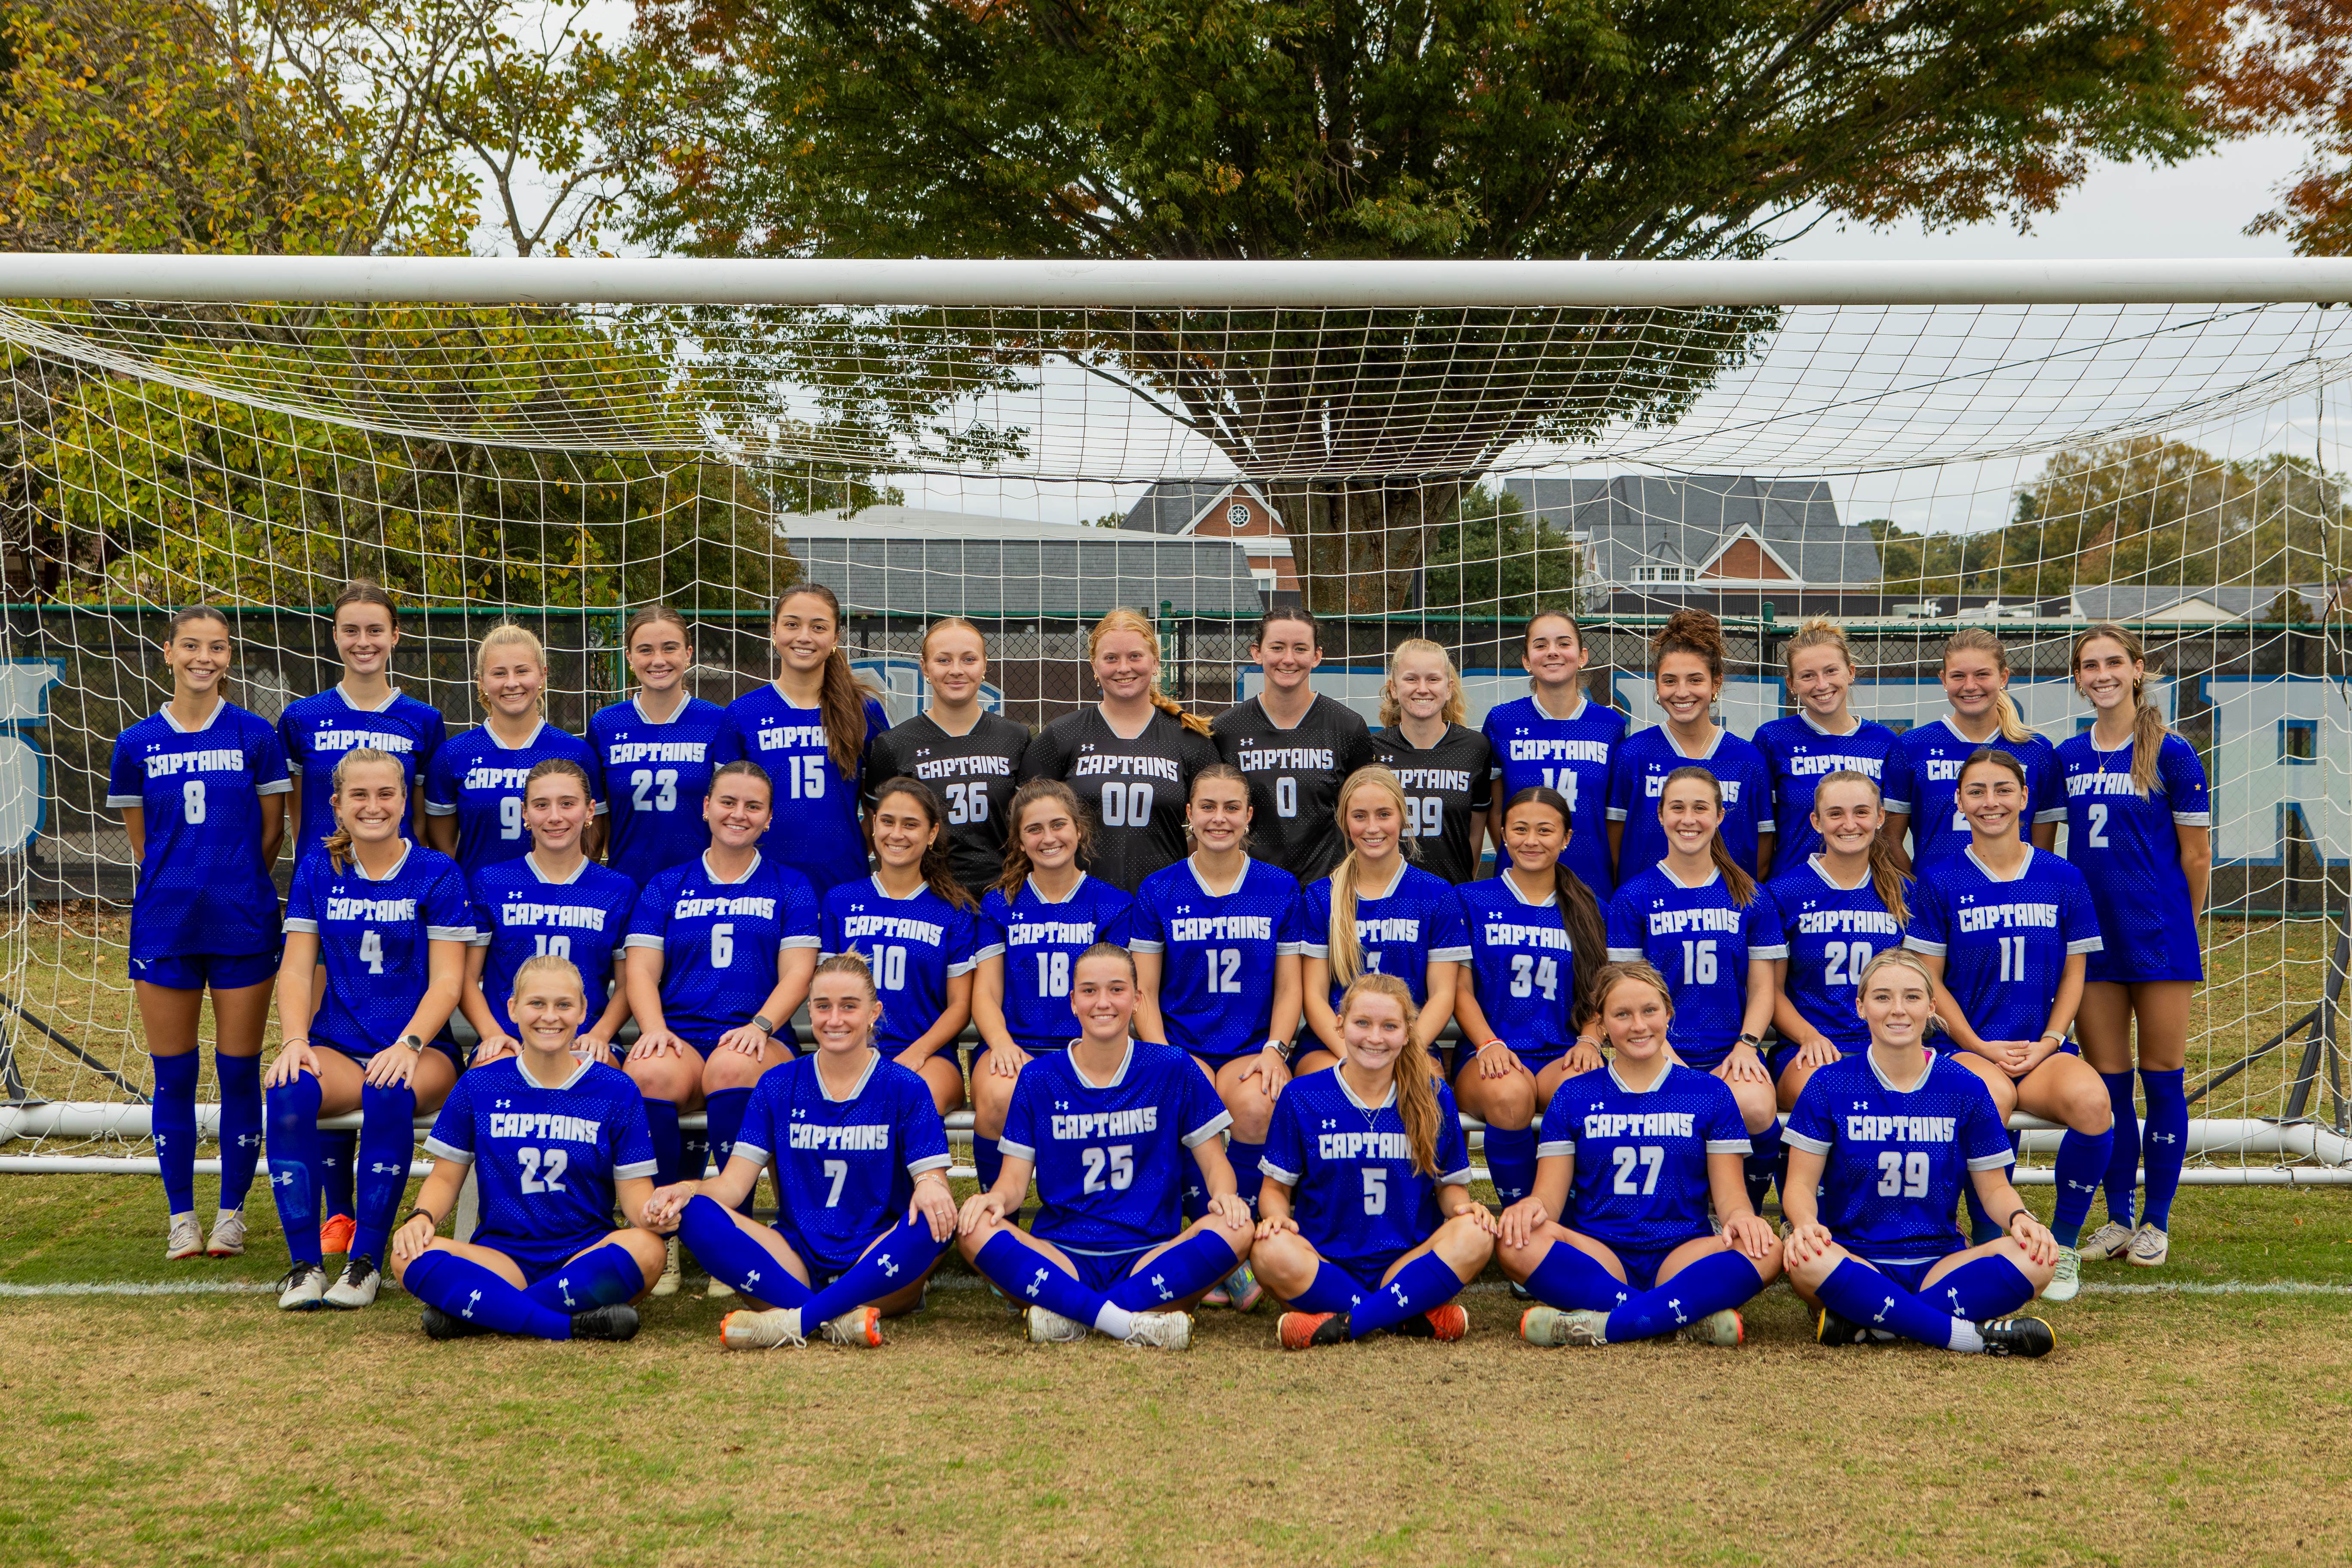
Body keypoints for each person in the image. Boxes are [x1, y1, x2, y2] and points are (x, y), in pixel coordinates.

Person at [643, 952, 959, 1349]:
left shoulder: (905, 1086)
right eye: (823, 1006)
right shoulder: (778, 1084)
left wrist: (930, 1184)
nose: (835, 1019)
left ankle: (796, 1320)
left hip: (875, 1257)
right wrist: (686, 1189)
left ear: (874, 1013)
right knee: (695, 1212)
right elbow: (732, 1187)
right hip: (796, 1256)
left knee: (935, 1216)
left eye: (849, 1006)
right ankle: (836, 1319)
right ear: (809, 1010)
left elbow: (934, 1183)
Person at [956, 944, 1254, 1350]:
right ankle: (1131, 1320)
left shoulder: (1174, 1066)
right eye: (1089, 991)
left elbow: (1216, 1166)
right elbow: (1012, 1183)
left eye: (1117, 990)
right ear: (1073, 1001)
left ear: (1138, 999)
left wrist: (1225, 1197)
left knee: (1238, 1228)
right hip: (1062, 1253)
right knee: (973, 1227)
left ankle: (1073, 1312)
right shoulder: (1038, 1077)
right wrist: (993, 1200)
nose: (1103, 1003)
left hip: (1149, 1254)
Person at [264, 747, 475, 1311]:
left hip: (421, 1049)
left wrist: (409, 1044)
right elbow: (296, 969)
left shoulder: (437, 873)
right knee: (287, 1092)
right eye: (359, 795)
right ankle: (305, 1266)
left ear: (405, 801)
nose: (373, 805)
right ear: (337, 804)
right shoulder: (319, 869)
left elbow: (448, 982)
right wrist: (294, 1040)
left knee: (389, 1090)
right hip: (338, 1045)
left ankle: (366, 1263)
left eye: (386, 794)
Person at [109, 606, 289, 1260]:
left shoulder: (256, 735)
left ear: (229, 657)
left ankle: (231, 1216)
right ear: (168, 652)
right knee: (174, 1075)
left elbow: (272, 831)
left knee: (239, 1072)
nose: (203, 658)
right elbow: (143, 844)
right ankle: (181, 1216)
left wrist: (232, 880)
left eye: (216, 647)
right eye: (191, 645)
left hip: (243, 920)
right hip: (165, 924)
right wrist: (182, 882)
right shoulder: (135, 743)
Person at [275, 579, 446, 1252]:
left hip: (397, 893)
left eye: (376, 629)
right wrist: (328, 865)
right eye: (352, 629)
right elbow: (297, 811)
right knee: (325, 1042)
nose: (364, 641)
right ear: (336, 636)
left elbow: (426, 818)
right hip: (334, 897)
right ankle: (338, 1211)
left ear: (396, 636)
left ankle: (363, 1230)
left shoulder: (422, 720)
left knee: (385, 1066)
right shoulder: (303, 716)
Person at [1905, 748, 2112, 1301]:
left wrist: (2051, 1042)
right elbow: (1930, 982)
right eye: (1976, 791)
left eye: (2002, 790)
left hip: (2041, 1050)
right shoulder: (1939, 880)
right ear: (1959, 801)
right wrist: (1978, 1044)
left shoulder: (2062, 876)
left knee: (2094, 1103)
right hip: (1969, 1048)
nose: (1990, 802)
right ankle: (1991, 1241)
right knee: (1988, 1100)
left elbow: (2075, 972)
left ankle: (2062, 1245)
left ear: (2024, 797)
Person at [1781, 949, 2059, 1357]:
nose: (1898, 1009)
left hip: (1940, 1263)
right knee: (1807, 1259)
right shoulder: (1829, 1084)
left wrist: (2021, 1219)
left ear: (1931, 1007)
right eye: (1882, 997)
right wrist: (1806, 1224)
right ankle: (1965, 1336)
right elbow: (1799, 1186)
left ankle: (1873, 1322)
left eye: (1912, 997)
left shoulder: (1965, 1087)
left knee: (2039, 1259)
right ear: (1861, 1007)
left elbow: (1995, 1190)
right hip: (1857, 1258)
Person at [1497, 962, 1780, 1348]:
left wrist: (1744, 1218)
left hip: (1683, 1252)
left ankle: (1608, 1324)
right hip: (1600, 1253)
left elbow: (1731, 1198)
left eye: (1649, 1011)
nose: (1639, 1025)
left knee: (1768, 1249)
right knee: (1515, 1241)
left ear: (1668, 1013)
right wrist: (1531, 1207)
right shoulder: (1574, 1094)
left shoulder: (1709, 1092)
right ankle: (1677, 1316)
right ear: (1601, 1023)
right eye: (1622, 1015)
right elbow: (1548, 1197)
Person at [622, 760, 821, 1292]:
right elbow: (640, 970)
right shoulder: (668, 884)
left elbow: (799, 973)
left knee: (735, 1064)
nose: (739, 814)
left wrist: (761, 1024)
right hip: (683, 1034)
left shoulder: (791, 885)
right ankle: (661, 1233)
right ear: (707, 807)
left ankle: (735, 1236)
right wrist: (653, 1029)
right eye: (728, 802)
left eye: (754, 806)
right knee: (650, 1070)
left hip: (760, 1036)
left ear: (770, 818)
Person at [390, 954, 662, 1342]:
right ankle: (565, 1324)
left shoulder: (616, 1089)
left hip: (584, 1254)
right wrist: (422, 1217)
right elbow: (446, 1179)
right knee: (408, 1254)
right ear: (513, 1009)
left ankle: (482, 1311)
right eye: (537, 1003)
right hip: (502, 1257)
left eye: (563, 1005)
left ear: (583, 1011)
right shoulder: (479, 1084)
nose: (550, 1017)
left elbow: (636, 1196)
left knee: (649, 1250)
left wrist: (658, 1214)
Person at [2061, 624, 2212, 1271]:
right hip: (2093, 940)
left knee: (2163, 1077)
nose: (2102, 674)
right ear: (2078, 678)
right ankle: (2119, 1218)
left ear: (2138, 669)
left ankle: (2157, 1221)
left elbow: (2197, 856)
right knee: (2110, 1084)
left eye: (2113, 662)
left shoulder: (2173, 753)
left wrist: (2181, 923)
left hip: (2159, 936)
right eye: (2090, 665)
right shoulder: (2067, 755)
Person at [1130, 765, 1305, 1298]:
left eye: (1232, 808)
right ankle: (1206, 1246)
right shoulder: (1159, 888)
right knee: (1187, 1100)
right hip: (1181, 1043)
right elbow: (1144, 991)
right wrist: (1164, 1057)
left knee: (1256, 1104)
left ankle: (1244, 1241)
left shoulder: (1279, 887)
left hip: (1251, 1044)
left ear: (1249, 816)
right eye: (1207, 807)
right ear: (1189, 814)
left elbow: (1290, 988)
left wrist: (1276, 1050)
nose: (1219, 819)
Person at [1258, 974, 1492, 1348]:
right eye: (1363, 1023)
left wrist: (1465, 1210)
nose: (1375, 1037)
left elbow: (1449, 1188)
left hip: (1406, 1264)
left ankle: (1345, 1323)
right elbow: (1275, 1190)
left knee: (1478, 1233)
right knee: (1267, 1250)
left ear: (1408, 1032)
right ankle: (1402, 1316)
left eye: (1390, 1027)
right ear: (1340, 1025)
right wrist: (1277, 1218)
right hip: (1325, 1262)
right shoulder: (1303, 1095)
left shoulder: (1433, 1095)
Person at [1605, 767, 1786, 1209]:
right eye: (1678, 808)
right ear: (1660, 816)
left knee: (1757, 1109)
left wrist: (1746, 1046)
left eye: (1701, 808)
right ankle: (1680, 1213)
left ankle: (1743, 1209)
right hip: (1654, 1050)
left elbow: (1764, 988)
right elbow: (1626, 992)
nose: (1689, 819)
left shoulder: (1750, 895)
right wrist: (1664, 1053)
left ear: (1720, 816)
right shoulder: (1634, 896)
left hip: (1729, 1050)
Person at [971, 780, 1136, 1197]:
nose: (1049, 838)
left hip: (1085, 1045)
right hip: (1018, 1041)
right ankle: (997, 1214)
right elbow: (985, 992)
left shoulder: (1112, 903)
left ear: (1079, 830)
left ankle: (1090, 1214)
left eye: (1059, 825)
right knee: (998, 1095)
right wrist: (1001, 1043)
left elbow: (1113, 995)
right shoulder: (1000, 904)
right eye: (1034, 829)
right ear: (1019, 841)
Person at [1451, 787, 1609, 1208]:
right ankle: (1520, 1222)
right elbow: (1458, 990)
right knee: (1509, 1096)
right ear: (1502, 835)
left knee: (1586, 1094)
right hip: (1490, 1050)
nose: (1531, 841)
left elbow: (1602, 990)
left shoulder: (1592, 906)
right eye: (1520, 830)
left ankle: (1569, 1221)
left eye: (1545, 830)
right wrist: (1488, 1043)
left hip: (1562, 1051)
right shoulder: (1470, 899)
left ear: (1567, 838)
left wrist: (1591, 1039)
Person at [1021, 607, 1219, 892]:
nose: (1124, 668)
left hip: (1164, 900)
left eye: (1135, 656)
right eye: (1111, 658)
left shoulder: (1189, 739)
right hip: (1080, 902)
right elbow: (1027, 823)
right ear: (1094, 666)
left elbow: (1217, 825)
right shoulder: (1062, 734)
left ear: (1155, 662)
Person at [819, 778, 983, 1117]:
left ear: (932, 833)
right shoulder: (840, 900)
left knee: (906, 1101)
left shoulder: (954, 910)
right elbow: (826, 993)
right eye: (888, 821)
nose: (897, 834)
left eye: (910, 825)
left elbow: (960, 1006)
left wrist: (917, 1053)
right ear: (873, 824)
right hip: (850, 1051)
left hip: (927, 1056)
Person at [458, 760, 637, 1067]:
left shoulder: (618, 889)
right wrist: (491, 1034)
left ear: (590, 811)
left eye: (567, 804)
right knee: (494, 1073)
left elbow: (627, 985)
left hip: (587, 1036)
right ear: (525, 813)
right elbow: (465, 977)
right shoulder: (491, 882)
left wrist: (601, 1033)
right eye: (542, 805)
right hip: (509, 1037)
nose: (555, 817)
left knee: (599, 1074)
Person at [717, 584, 891, 897]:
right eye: (792, 624)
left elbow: (881, 811)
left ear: (836, 637)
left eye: (819, 627)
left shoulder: (864, 711)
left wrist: (847, 850)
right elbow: (725, 812)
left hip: (842, 882)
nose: (804, 637)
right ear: (774, 630)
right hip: (762, 883)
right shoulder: (742, 713)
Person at [1297, 766, 1470, 1075]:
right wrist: (1355, 1057)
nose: (1372, 827)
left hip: (1408, 1042)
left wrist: (1402, 1052)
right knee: (1334, 1082)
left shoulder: (1437, 894)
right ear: (1345, 822)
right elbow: (1314, 996)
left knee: (1428, 1084)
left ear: (1403, 817)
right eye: (1360, 816)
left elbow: (1443, 994)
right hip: (1334, 1044)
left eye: (1384, 815)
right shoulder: (1322, 896)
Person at [1765, 771, 1909, 1111]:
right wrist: (1808, 1036)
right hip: (1809, 1046)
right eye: (1835, 814)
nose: (1849, 824)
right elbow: (1770, 990)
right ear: (1816, 822)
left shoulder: (1905, 892)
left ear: (1880, 817)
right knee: (1828, 1096)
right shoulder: (1784, 893)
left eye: (1861, 812)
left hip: (1888, 1045)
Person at [865, 617, 1031, 900]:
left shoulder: (1015, 737)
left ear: (984, 665)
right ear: (925, 667)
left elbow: (1031, 824)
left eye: (969, 659)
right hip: (927, 898)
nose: (956, 670)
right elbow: (879, 829)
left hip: (1005, 896)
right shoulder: (894, 744)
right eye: (943, 660)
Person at [1210, 607, 1376, 884]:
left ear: (1317, 656)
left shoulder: (1347, 726)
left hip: (1328, 886)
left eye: (1300, 649)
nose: (1288, 659)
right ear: (1257, 653)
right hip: (1251, 886)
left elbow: (1364, 813)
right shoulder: (1227, 729)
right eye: (1277, 647)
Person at [425, 624, 601, 877]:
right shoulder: (453, 754)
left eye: (522, 671)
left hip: (556, 897)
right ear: (481, 681)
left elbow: (594, 835)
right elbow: (443, 847)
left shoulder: (577, 753)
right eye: (499, 673)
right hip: (480, 898)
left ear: (542, 675)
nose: (511, 683)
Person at [1882, 628, 2064, 873]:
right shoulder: (1912, 745)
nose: (1970, 686)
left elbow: (2042, 850)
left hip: (2013, 893)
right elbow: (1890, 840)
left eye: (1982, 675)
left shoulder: (2036, 749)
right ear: (1944, 680)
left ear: (2004, 677)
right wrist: (1917, 888)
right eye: (1958, 676)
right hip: (1937, 894)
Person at [1608, 609, 1772, 878]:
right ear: (1657, 686)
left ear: (1716, 683)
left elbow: (1762, 852)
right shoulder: (1633, 754)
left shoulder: (1748, 760)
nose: (1682, 692)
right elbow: (1615, 847)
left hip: (1725, 901)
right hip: (1650, 901)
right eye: (1670, 681)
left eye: (1695, 680)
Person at [1482, 611, 1623, 896]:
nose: (1553, 652)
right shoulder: (1502, 720)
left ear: (1582, 656)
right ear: (1526, 661)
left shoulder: (1610, 725)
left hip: (1590, 882)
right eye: (1541, 645)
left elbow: (1613, 816)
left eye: (1564, 643)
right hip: (1520, 880)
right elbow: (1495, 810)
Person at [588, 605, 726, 889]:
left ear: (688, 654)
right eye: (646, 650)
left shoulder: (718, 721)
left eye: (670, 648)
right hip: (628, 886)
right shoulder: (605, 724)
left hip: (700, 890)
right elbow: (595, 817)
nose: (658, 660)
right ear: (630, 657)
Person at [1753, 617, 1900, 876]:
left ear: (1851, 672)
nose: (1821, 685)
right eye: (1808, 676)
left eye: (1831, 671)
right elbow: (1763, 830)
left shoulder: (1884, 741)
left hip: (1866, 887)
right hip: (1794, 887)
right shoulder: (1773, 739)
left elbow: (1890, 832)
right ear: (1791, 684)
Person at [1366, 638, 1492, 885]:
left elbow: (1476, 831)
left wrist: (1465, 886)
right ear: (1394, 688)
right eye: (1411, 679)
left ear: (1449, 688)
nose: (1422, 689)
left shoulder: (1475, 747)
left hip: (1451, 893)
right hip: (1387, 892)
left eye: (1433, 679)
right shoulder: (1372, 749)